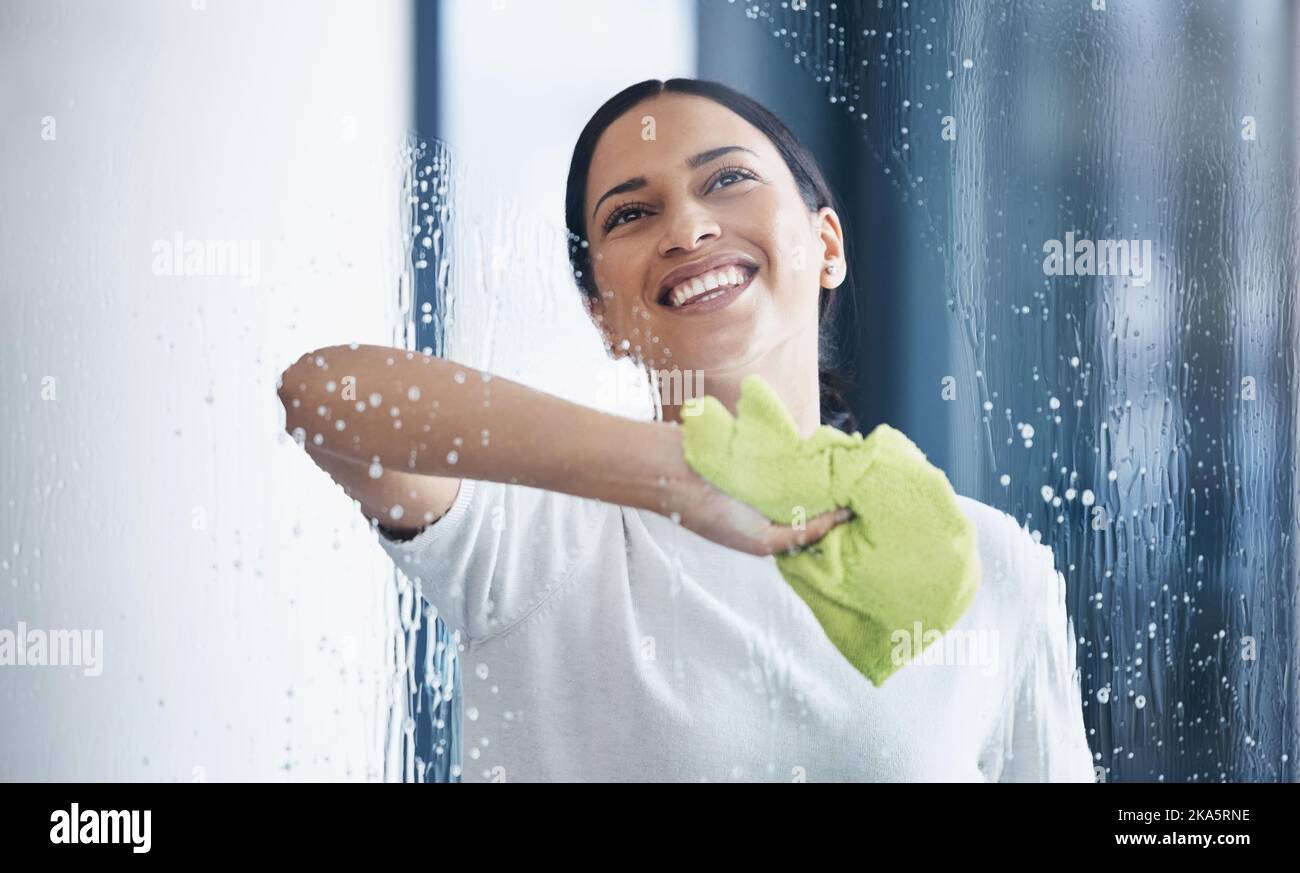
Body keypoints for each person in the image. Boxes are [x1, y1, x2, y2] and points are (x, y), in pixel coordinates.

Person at [277, 78, 1095, 782]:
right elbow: (323, 391)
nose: (687, 228)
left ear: (826, 243)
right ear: (604, 316)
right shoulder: (538, 540)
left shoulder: (994, 568)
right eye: (630, 213)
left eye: (729, 179)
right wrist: (677, 473)